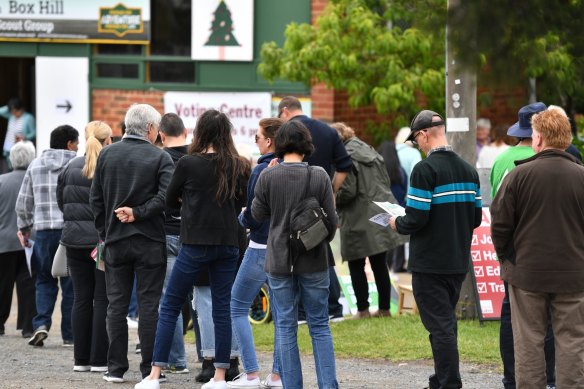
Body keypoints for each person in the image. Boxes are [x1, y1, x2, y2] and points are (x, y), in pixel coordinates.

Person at [135, 109, 250, 389]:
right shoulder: (239, 165)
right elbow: (243, 203)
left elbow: (169, 201)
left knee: (171, 305)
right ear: (226, 133)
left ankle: (154, 374)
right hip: (227, 244)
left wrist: (190, 208)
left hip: (194, 243)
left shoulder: (188, 164)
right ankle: (220, 376)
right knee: (222, 309)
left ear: (200, 132)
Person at [490, 108, 584, 388]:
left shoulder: (519, 176)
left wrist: (506, 257)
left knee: (528, 341)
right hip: (573, 274)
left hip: (527, 273)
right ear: (566, 139)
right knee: (572, 340)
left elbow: (500, 225)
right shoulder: (581, 176)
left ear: (539, 138)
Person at [389, 110, 482, 389]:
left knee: (439, 327)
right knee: (445, 323)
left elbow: (416, 218)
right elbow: (476, 218)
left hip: (430, 262)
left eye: (416, 139)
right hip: (457, 260)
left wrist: (396, 222)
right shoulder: (468, 169)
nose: (417, 145)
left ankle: (450, 382)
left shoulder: (425, 169)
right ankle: (440, 378)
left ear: (425, 134)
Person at [90, 104, 174, 383]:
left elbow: (96, 200)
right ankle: (150, 369)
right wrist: (139, 213)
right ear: (151, 129)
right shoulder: (160, 158)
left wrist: (106, 230)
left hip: (115, 240)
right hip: (149, 241)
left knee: (116, 305)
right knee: (149, 305)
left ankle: (115, 368)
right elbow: (166, 198)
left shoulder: (107, 155)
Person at [252, 120, 339, 388]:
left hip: (279, 260)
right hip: (314, 258)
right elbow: (332, 222)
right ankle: (328, 385)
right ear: (306, 145)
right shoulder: (320, 175)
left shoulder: (269, 175)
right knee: (319, 325)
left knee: (286, 327)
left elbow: (256, 215)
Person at [490, 102, 556, 389]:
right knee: (550, 316)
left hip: (513, 251)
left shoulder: (501, 159)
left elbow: (496, 205)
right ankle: (549, 377)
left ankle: (511, 376)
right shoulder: (548, 157)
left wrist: (502, 252)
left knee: (510, 314)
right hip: (547, 248)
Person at [278, 96, 352, 322]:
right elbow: (345, 165)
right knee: (322, 249)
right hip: (319, 200)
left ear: (284, 111)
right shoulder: (327, 131)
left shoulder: (287, 134)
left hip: (291, 197)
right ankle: (332, 307)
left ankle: (301, 310)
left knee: (294, 250)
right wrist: (331, 190)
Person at [228, 118, 283, 388]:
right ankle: (277, 375)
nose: (256, 141)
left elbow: (253, 215)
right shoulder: (293, 168)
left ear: (269, 140)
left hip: (260, 246)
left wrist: (241, 219)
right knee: (283, 315)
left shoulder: (261, 170)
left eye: (258, 137)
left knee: (237, 305)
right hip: (285, 250)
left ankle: (250, 373)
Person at [332, 122, 404, 319]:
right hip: (379, 211)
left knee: (356, 262)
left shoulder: (344, 156)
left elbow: (347, 191)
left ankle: (362, 310)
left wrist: (330, 194)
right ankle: (384, 309)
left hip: (356, 216)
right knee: (379, 262)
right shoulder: (369, 150)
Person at [15, 125, 79, 347]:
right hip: (70, 231)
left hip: (42, 232)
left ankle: (41, 324)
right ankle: (69, 336)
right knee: (71, 282)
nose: (78, 147)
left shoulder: (35, 165)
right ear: (70, 143)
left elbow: (23, 202)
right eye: (77, 143)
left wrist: (24, 227)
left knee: (44, 279)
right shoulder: (76, 164)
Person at [56, 121, 112, 372]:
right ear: (106, 141)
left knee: (80, 298)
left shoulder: (69, 167)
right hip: (101, 242)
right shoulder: (108, 167)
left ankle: (81, 360)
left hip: (74, 241)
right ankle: (99, 360)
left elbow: (62, 202)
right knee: (102, 299)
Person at [158, 113, 189, 374]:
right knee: (203, 299)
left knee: (170, 300)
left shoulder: (160, 159)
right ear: (186, 132)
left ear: (160, 135)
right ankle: (211, 358)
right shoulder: (196, 160)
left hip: (167, 233)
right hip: (194, 235)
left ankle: (177, 359)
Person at [0, 141, 36, 338]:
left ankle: (0, 323)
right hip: (30, 239)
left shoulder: (1, 181)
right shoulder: (33, 180)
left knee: (2, 283)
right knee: (28, 283)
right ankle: (28, 325)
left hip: (3, 241)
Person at [377, 139, 409, 273]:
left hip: (382, 210)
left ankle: (385, 266)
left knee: (384, 242)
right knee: (398, 240)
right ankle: (397, 266)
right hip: (398, 209)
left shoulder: (378, 171)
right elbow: (406, 190)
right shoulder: (401, 172)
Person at [0, 98, 36, 172]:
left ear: (21, 108)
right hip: (8, 148)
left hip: (19, 149)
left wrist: (25, 137)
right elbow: (0, 111)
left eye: (16, 110)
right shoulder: (11, 116)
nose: (14, 113)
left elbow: (34, 132)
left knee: (17, 169)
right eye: (12, 111)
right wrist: (10, 106)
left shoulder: (28, 117)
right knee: (7, 170)